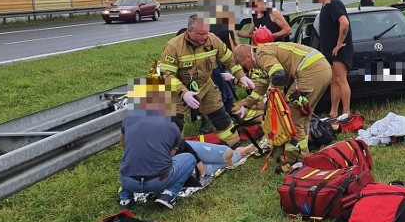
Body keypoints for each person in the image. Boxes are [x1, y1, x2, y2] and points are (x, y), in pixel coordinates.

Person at [160, 14, 255, 148]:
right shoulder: (173, 46)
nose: (205, 37)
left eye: (206, 32)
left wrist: (241, 75)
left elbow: (229, 59)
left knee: (220, 116)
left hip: (205, 85)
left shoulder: (213, 40)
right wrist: (184, 93)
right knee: (175, 123)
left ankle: (234, 144)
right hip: (179, 90)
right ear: (189, 31)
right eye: (200, 34)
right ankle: (175, 151)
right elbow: (167, 74)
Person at [233, 41, 331, 163]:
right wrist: (247, 105)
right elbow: (260, 87)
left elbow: (278, 75)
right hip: (321, 69)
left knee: (291, 119)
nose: (247, 68)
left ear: (248, 56)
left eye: (244, 65)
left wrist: (274, 97)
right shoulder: (263, 55)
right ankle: (298, 156)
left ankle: (300, 160)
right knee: (303, 116)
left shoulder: (261, 55)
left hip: (310, 72)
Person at [118, 80, 199, 211]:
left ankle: (125, 199)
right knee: (189, 158)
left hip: (128, 181)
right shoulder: (172, 126)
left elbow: (124, 143)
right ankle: (169, 195)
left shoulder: (129, 119)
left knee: (129, 158)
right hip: (158, 180)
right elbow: (170, 155)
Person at [316, 0, 353, 120]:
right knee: (333, 81)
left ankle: (347, 112)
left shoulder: (333, 3)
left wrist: (338, 44)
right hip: (329, 51)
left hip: (339, 49)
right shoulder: (325, 5)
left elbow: (344, 23)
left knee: (341, 80)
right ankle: (333, 113)